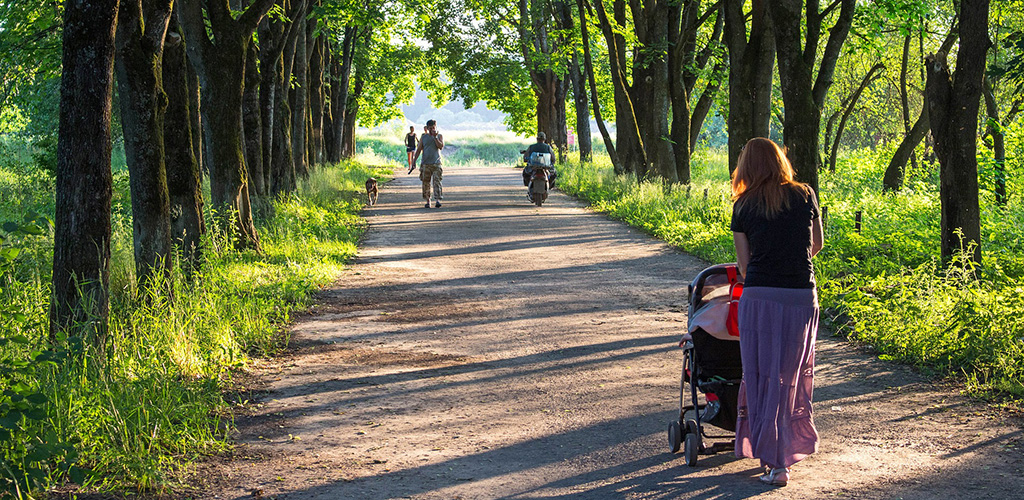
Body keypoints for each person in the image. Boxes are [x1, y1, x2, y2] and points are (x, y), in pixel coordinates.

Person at [730, 137, 824, 487]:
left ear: (746, 167)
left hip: (760, 297)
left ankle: (773, 461)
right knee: (792, 376)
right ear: (780, 161)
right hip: (801, 295)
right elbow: (816, 244)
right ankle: (787, 452)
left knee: (761, 375)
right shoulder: (805, 195)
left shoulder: (743, 205)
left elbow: (744, 264)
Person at [411, 119, 445, 208]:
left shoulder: (439, 136)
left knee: (437, 182)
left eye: (433, 128)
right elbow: (418, 150)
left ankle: (437, 200)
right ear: (427, 128)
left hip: (436, 163)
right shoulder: (424, 137)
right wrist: (414, 162)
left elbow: (440, 146)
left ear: (435, 127)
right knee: (426, 182)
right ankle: (427, 200)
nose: (431, 130)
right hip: (426, 163)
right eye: (430, 128)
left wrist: (435, 137)